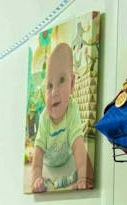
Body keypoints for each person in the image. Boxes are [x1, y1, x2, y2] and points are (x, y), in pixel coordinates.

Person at [30, 42, 92, 193]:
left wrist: (83, 177)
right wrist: (36, 178)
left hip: (66, 157)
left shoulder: (72, 110)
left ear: (72, 84)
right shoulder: (45, 118)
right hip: (49, 162)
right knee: (35, 156)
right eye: (49, 86)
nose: (54, 92)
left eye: (61, 80)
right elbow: (38, 157)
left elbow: (78, 146)